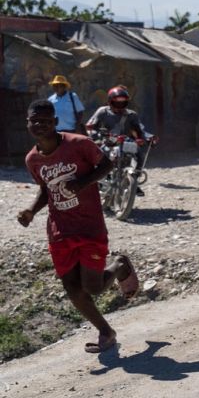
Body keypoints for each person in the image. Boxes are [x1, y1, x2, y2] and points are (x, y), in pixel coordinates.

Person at [17, 100, 139, 354]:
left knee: (93, 287)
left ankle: (119, 265)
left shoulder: (78, 143)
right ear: (28, 123)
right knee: (72, 287)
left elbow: (107, 165)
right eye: (34, 120)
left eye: (45, 120)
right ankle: (106, 331)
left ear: (55, 123)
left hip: (89, 227)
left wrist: (83, 182)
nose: (39, 125)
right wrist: (30, 211)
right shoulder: (32, 159)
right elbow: (45, 190)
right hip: (60, 230)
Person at [86, 86, 155, 197]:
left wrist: (148, 138)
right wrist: (98, 134)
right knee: (98, 157)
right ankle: (96, 181)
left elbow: (140, 130)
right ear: (110, 101)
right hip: (108, 140)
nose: (120, 105)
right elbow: (90, 127)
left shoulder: (132, 115)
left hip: (126, 142)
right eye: (117, 102)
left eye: (123, 102)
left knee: (139, 154)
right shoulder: (102, 111)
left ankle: (134, 180)